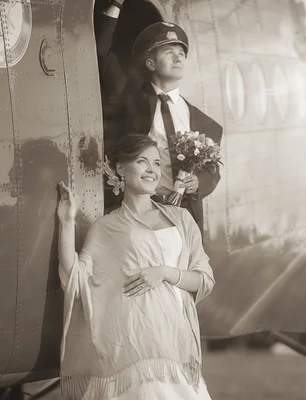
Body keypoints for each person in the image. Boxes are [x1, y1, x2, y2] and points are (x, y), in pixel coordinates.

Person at [57, 134, 215, 400]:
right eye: (142, 162)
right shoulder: (106, 227)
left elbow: (204, 280)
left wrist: (165, 273)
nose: (152, 170)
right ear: (120, 169)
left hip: (175, 338)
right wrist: (66, 222)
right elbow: (75, 277)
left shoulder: (181, 218)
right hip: (133, 343)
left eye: (156, 163)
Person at [96, 0, 223, 229]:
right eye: (169, 52)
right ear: (151, 63)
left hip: (185, 219)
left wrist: (198, 183)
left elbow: (212, 172)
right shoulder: (129, 99)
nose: (178, 58)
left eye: (181, 53)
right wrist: (115, 4)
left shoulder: (204, 123)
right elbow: (102, 52)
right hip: (140, 215)